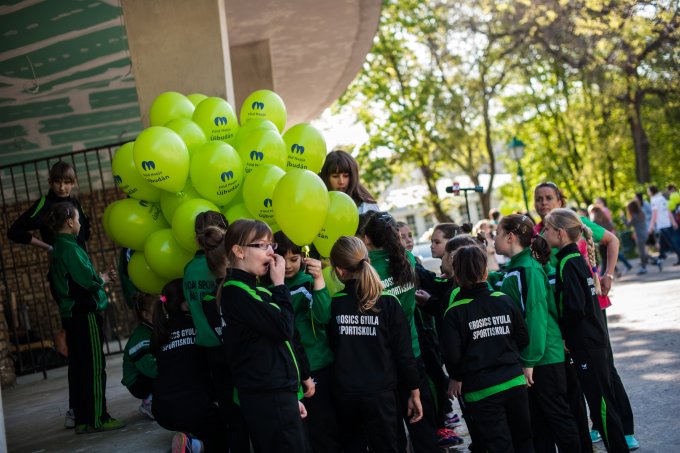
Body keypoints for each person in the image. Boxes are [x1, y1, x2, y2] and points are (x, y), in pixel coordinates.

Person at [534, 182, 638, 449]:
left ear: (559, 233)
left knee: (600, 404)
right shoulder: (575, 260)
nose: (543, 233)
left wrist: (565, 334)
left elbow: (575, 308)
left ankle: (618, 445)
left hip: (586, 343)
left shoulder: (569, 264)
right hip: (592, 340)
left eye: (546, 230)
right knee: (600, 399)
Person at [219, 219, 309, 453]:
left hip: (278, 395)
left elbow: (280, 343)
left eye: (272, 245)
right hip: (267, 396)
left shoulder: (255, 290)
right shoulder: (236, 292)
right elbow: (283, 328)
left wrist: (293, 396)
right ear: (238, 251)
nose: (271, 253)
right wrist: (280, 285)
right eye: (262, 245)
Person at [327, 235, 422, 452]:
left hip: (346, 394)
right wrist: (414, 391)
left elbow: (333, 347)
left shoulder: (335, 304)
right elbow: (403, 354)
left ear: (339, 271)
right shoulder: (387, 302)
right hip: (381, 396)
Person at [494, 214, 581, 452]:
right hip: (533, 357)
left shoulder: (528, 269)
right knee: (538, 424)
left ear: (510, 237)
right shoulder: (517, 267)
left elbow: (535, 317)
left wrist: (529, 360)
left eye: (497, 233)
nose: (493, 239)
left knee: (558, 418)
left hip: (543, 357)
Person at [440, 244, 532, 452]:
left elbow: (452, 354)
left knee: (498, 445)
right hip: (514, 383)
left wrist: (456, 376)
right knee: (524, 440)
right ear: (485, 271)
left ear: (457, 277)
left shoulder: (454, 312)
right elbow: (523, 337)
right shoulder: (504, 300)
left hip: (480, 390)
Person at [362, 212, 441, 451]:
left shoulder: (366, 268)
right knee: (422, 422)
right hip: (411, 352)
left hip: (382, 358)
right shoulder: (407, 257)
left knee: (390, 431)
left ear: (366, 238)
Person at [46, 202, 124, 434]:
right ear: (70, 222)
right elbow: (86, 282)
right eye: (78, 219)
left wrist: (98, 277)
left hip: (71, 315)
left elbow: (75, 279)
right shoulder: (71, 248)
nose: (80, 223)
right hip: (84, 315)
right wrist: (102, 280)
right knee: (94, 368)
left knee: (79, 368)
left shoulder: (59, 248)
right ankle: (99, 418)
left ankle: (82, 419)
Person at [274, 231, 341, 453]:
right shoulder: (267, 287)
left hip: (318, 365)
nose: (290, 265)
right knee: (302, 431)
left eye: (295, 259)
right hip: (288, 371)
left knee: (324, 428)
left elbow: (323, 317)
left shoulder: (307, 282)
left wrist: (319, 280)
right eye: (284, 260)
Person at [151, 279, 227, 453]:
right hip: (194, 406)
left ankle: (189, 438)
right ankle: (194, 445)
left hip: (162, 409)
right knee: (223, 435)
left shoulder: (159, 331)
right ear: (186, 304)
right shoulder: (198, 325)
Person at [8, 161, 90, 252]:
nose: (62, 187)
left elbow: (85, 234)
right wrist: (48, 247)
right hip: (60, 263)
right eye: (57, 182)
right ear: (50, 182)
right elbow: (14, 231)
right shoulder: (45, 203)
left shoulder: (75, 203)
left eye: (66, 182)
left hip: (84, 262)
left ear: (73, 183)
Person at [121, 292, 157, 420]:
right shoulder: (141, 337)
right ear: (146, 315)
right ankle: (149, 401)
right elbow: (151, 369)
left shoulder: (154, 328)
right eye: (158, 310)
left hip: (147, 372)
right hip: (137, 382)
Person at [319, 150, 379, 214]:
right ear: (326, 177)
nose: (341, 181)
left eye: (345, 176)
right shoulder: (318, 204)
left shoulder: (367, 208)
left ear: (353, 177)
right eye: (335, 176)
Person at [622, 199, 662, 274]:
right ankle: (647, 265)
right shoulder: (641, 213)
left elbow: (628, 225)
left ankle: (651, 263)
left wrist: (623, 218)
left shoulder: (634, 216)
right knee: (642, 252)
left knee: (642, 253)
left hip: (639, 236)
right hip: (645, 234)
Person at [648, 185, 680, 265]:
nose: (647, 192)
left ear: (651, 192)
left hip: (662, 224)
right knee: (667, 242)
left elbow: (654, 214)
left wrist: (651, 226)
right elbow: (668, 211)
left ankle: (663, 257)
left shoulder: (654, 200)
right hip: (667, 223)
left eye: (648, 191)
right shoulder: (662, 198)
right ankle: (661, 256)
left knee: (672, 243)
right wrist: (673, 222)